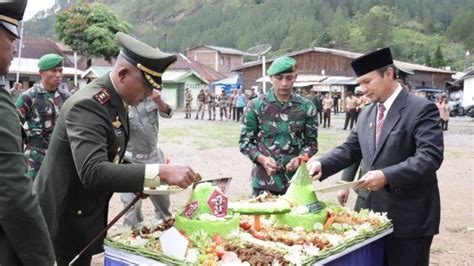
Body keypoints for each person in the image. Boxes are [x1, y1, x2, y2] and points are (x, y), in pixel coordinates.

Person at [33, 32, 199, 265]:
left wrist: (150, 179)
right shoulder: (89, 105)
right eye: (146, 86)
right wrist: (159, 172)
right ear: (123, 75)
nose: (150, 95)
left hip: (82, 214)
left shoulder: (115, 99)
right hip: (61, 219)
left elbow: (114, 158)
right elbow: (93, 171)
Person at [309, 47, 443, 266]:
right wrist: (321, 164)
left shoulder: (421, 109)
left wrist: (387, 175)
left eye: (367, 82)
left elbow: (429, 158)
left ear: (389, 74)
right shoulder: (368, 112)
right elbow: (350, 149)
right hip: (372, 216)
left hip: (409, 218)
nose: (362, 89)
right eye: (359, 83)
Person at [0, 1, 56, 264]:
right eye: (10, 38)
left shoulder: (63, 96)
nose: (13, 49)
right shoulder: (20, 98)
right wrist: (44, 259)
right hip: (32, 157)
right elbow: (13, 191)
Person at [240, 56, 318, 196]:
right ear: (271, 78)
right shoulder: (255, 106)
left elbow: (311, 144)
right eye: (279, 78)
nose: (284, 83)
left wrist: (301, 159)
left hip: (295, 182)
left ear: (295, 77)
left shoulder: (306, 107)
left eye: (289, 78)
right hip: (264, 182)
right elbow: (245, 143)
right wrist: (263, 159)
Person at [120, 90, 173, 228]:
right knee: (132, 206)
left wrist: (159, 100)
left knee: (162, 201)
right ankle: (133, 236)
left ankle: (163, 230)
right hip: (132, 162)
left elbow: (168, 112)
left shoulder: (151, 95)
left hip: (153, 159)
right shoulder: (121, 100)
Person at [16, 53, 70, 179]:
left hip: (60, 157)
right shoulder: (29, 97)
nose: (58, 75)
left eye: (60, 71)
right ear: (41, 73)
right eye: (53, 71)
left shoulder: (66, 97)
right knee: (32, 193)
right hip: (35, 158)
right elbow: (14, 125)